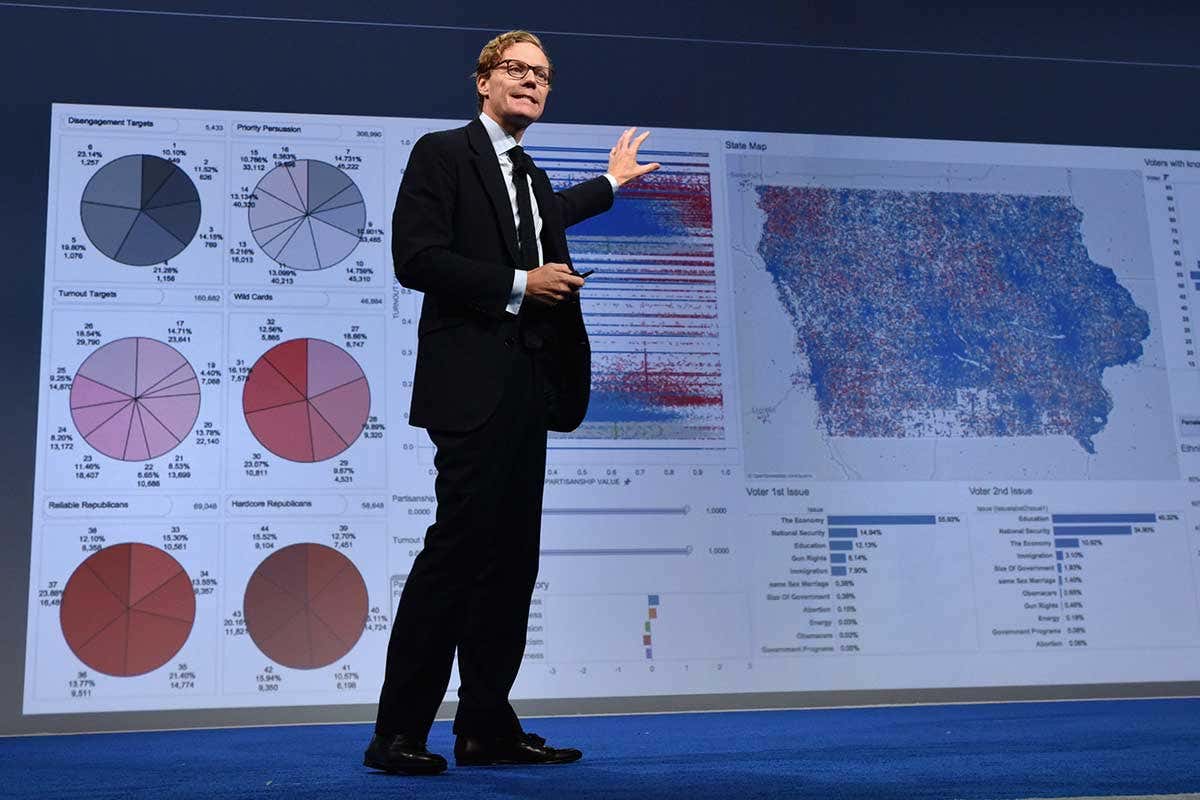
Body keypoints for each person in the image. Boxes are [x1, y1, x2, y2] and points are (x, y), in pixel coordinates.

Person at [365, 30, 659, 775]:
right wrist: (524, 285)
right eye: (518, 70)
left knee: (511, 564)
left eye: (544, 76)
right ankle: (397, 733)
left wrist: (613, 184)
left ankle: (485, 728)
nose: (532, 82)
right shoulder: (442, 153)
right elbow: (417, 257)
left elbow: (544, 219)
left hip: (531, 386)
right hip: (470, 389)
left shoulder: (527, 174)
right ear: (483, 81)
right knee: (456, 557)